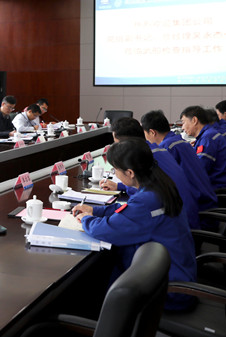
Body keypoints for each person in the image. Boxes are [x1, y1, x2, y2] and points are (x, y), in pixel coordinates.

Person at [74, 139, 197, 311]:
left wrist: (86, 219)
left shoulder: (147, 200)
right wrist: (95, 210)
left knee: (91, 280)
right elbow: (129, 211)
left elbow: (106, 230)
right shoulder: (159, 185)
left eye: (115, 170)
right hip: (175, 271)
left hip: (168, 289)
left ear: (130, 172)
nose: (115, 174)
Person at [102, 117, 200, 229]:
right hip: (182, 218)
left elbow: (143, 196)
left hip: (177, 223)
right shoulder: (156, 150)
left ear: (125, 144)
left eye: (117, 144)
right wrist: (119, 186)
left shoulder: (146, 159)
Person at [140, 110, 216, 211]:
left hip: (197, 206)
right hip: (203, 199)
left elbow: (155, 182)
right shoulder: (177, 141)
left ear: (152, 132)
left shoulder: (167, 148)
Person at [180, 106, 226, 189]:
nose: (182, 127)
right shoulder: (208, 134)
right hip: (219, 183)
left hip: (219, 187)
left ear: (194, 120)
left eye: (183, 122)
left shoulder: (208, 138)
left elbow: (199, 169)